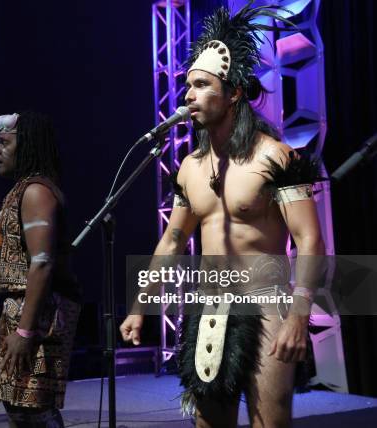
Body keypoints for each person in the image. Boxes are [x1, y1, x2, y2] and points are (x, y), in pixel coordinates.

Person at [120, 3, 325, 427]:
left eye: (201, 85)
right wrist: (141, 304)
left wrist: (300, 315)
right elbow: (172, 241)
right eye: (187, 85)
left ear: (233, 92)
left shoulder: (275, 156)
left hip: (267, 304)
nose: (188, 95)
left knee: (270, 420)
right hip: (210, 304)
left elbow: (309, 240)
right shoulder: (189, 167)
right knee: (208, 422)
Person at [0, 112, 82, 427]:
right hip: (22, 307)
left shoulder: (36, 192)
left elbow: (42, 263)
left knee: (31, 409)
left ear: (26, 145)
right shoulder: (24, 189)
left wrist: (25, 331)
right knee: (18, 406)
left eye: (5, 143)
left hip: (41, 313)